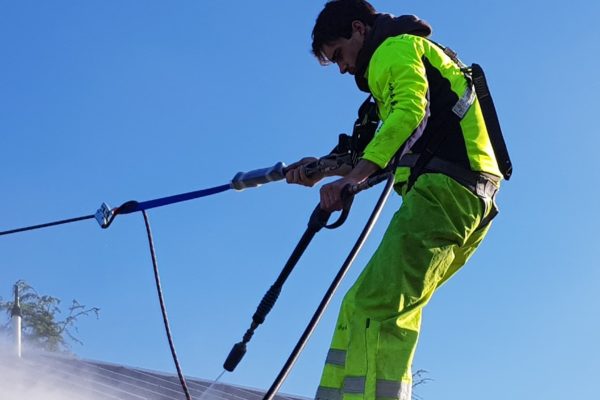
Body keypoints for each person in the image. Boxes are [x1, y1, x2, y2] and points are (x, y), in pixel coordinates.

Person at [285, 1, 505, 399]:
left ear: (358, 29)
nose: (342, 68)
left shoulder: (394, 49)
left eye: (338, 55)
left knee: (376, 307)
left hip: (444, 194)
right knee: (361, 305)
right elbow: (382, 142)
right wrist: (320, 169)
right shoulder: (408, 57)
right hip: (463, 200)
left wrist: (353, 180)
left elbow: (408, 114)